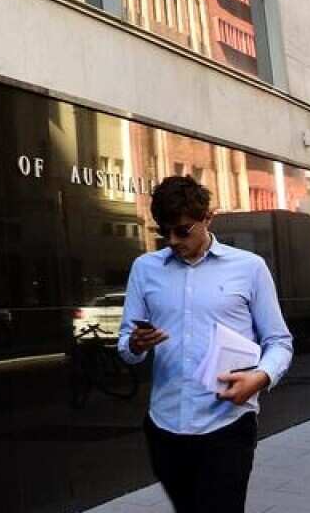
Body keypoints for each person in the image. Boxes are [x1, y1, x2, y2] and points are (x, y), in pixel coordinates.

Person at [117, 176, 293, 513]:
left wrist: (261, 377)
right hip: (164, 426)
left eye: (182, 231)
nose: (173, 241)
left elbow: (279, 342)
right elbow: (126, 344)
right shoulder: (145, 268)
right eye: (164, 232)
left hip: (227, 423)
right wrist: (136, 345)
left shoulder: (249, 268)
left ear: (207, 219)